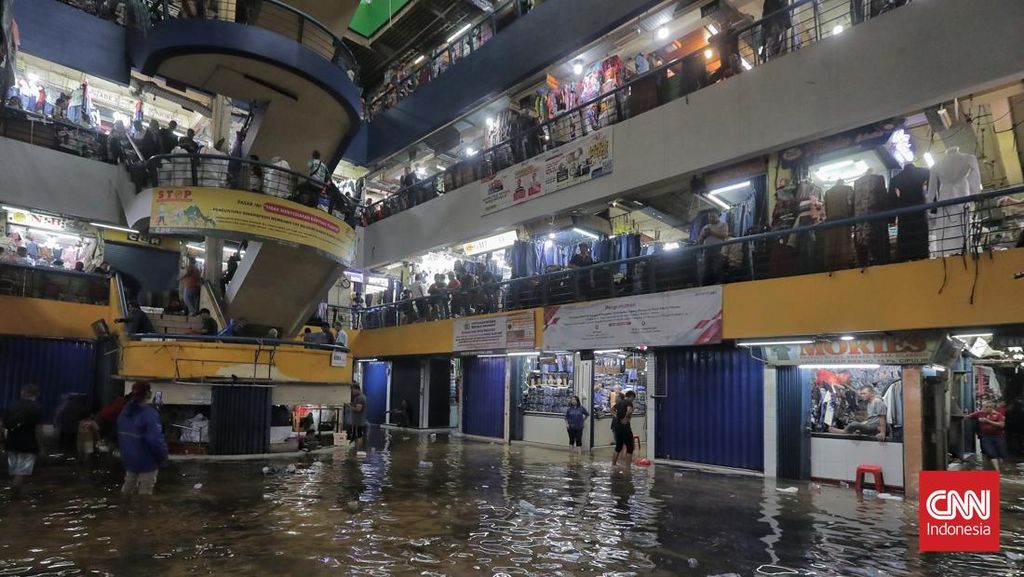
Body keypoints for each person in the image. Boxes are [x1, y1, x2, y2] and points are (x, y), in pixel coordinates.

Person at [117, 381, 168, 498]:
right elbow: (155, 440)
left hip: (128, 458)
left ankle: (121, 513)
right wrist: (163, 457)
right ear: (148, 394)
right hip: (147, 460)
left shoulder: (124, 412)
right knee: (145, 492)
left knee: (128, 487)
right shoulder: (149, 414)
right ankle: (143, 516)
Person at [2, 384, 43, 498]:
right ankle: (15, 499)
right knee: (21, 473)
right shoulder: (37, 408)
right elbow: (38, 430)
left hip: (11, 443)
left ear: (22, 393)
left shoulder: (12, 406)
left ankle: (16, 494)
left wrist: (4, 441)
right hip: (28, 445)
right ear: (37, 394)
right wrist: (41, 446)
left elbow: (4, 425)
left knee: (15, 472)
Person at [967, 400, 1007, 472]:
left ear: (992, 407)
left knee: (1001, 454)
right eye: (986, 407)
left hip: (998, 437)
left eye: (990, 407)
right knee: (991, 454)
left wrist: (987, 421)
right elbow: (969, 416)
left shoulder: (998, 414)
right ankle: (997, 471)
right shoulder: (979, 413)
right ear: (983, 407)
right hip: (986, 437)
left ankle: (1002, 468)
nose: (988, 408)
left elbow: (1001, 425)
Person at [699, 211, 729, 284]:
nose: (711, 218)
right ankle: (707, 286)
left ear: (718, 216)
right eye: (709, 217)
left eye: (713, 216)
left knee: (717, 268)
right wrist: (704, 235)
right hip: (706, 251)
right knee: (706, 269)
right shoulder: (705, 227)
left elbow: (724, 236)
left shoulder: (723, 224)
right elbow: (700, 241)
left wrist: (711, 232)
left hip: (718, 249)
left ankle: (718, 284)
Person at [611, 390, 636, 467]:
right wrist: (625, 418)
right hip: (625, 428)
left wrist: (616, 417)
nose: (632, 400)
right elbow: (629, 411)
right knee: (630, 447)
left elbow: (612, 409)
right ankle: (628, 467)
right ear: (631, 397)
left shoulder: (620, 402)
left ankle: (613, 464)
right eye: (633, 398)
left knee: (618, 447)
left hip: (618, 428)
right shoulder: (629, 402)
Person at [348, 385, 367, 451]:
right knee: (357, 436)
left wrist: (349, 406)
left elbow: (358, 409)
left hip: (358, 422)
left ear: (357, 389)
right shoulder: (359, 397)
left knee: (358, 436)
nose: (352, 392)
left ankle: (357, 450)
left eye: (353, 390)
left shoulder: (360, 398)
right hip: (358, 421)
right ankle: (357, 450)